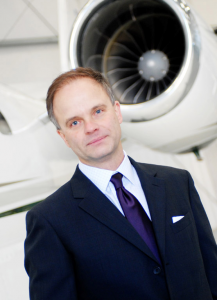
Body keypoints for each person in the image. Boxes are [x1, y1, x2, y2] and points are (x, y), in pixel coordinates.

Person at [24, 67, 217, 300]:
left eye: (97, 111)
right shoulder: (49, 221)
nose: (91, 127)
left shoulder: (177, 183)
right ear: (63, 136)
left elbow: (212, 274)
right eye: (75, 122)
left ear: (117, 111)